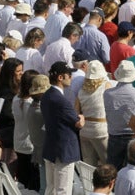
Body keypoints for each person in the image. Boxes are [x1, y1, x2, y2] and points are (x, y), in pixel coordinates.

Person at [43, 61, 84, 195]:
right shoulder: (61, 100)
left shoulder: (46, 95)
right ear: (61, 77)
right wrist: (82, 117)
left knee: (51, 188)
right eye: (69, 75)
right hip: (64, 150)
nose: (71, 78)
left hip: (51, 146)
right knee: (63, 189)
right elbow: (78, 123)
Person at [103, 59, 135, 171]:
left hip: (114, 137)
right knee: (133, 171)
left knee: (112, 171)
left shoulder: (107, 94)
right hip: (133, 137)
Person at [76, 60, 111, 165]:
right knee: (107, 164)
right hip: (101, 129)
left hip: (85, 129)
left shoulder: (81, 90)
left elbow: (76, 110)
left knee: (88, 165)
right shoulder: (106, 85)